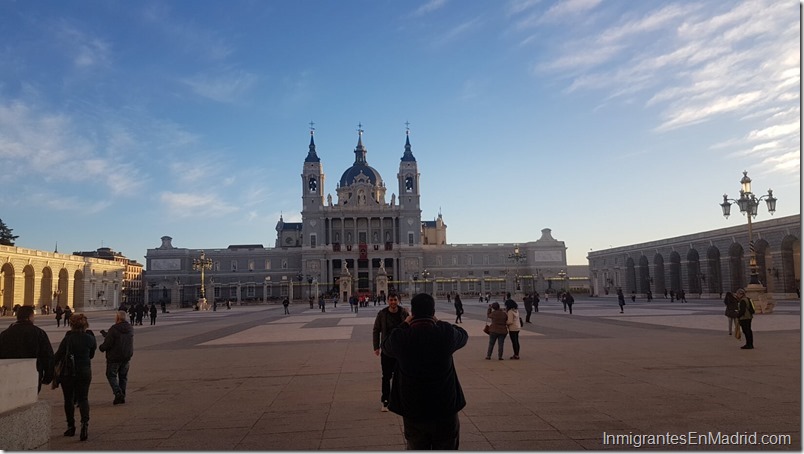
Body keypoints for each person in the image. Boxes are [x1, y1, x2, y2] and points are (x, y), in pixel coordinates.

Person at [381, 293, 467, 449]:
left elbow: (386, 346)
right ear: (433, 312)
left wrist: (404, 324)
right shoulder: (444, 334)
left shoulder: (402, 337)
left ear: (412, 313)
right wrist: (439, 322)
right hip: (444, 407)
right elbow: (463, 335)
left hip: (414, 409)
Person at [55, 313, 96, 441]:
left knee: (68, 399)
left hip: (68, 373)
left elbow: (58, 356)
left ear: (71, 324)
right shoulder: (90, 338)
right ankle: (84, 425)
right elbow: (91, 355)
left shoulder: (68, 339)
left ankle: (71, 426)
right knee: (83, 398)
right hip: (84, 371)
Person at [0, 305, 55, 393]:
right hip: (33, 373)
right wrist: (48, 375)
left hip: (10, 373)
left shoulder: (5, 334)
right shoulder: (39, 333)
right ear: (30, 317)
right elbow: (47, 355)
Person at [372, 292, 410, 412]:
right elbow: (376, 330)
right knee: (386, 376)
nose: (393, 302)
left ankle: (401, 399)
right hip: (387, 350)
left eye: (395, 300)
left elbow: (411, 329)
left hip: (401, 350)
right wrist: (376, 347)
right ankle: (385, 400)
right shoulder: (382, 314)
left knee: (402, 376)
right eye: (391, 300)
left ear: (398, 300)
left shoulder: (404, 313)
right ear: (388, 301)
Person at [98, 311, 134, 405]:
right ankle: (122, 396)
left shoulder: (114, 329)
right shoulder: (130, 328)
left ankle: (118, 393)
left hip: (114, 357)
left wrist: (102, 348)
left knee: (111, 375)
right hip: (126, 356)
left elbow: (108, 343)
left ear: (117, 318)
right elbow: (120, 337)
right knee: (123, 377)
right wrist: (107, 335)